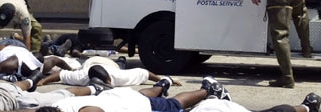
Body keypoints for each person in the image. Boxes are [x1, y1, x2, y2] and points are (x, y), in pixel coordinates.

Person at [39, 76, 320, 112]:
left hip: (136, 104)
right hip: (123, 97)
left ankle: (307, 108)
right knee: (168, 100)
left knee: (171, 104)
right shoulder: (63, 104)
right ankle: (307, 108)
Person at [38, 55, 182, 87]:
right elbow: (60, 75)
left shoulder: (119, 76)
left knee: (121, 63)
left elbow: (144, 72)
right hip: (90, 62)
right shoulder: (82, 76)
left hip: (111, 65)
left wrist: (167, 79)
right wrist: (43, 82)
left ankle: (121, 59)